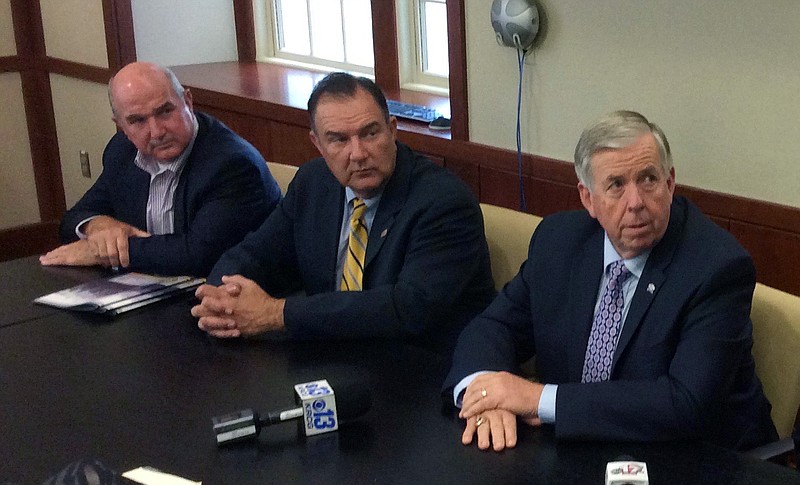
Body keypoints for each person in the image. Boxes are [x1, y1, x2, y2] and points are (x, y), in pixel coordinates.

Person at [443, 111, 778, 452]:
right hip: (584, 449)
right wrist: (484, 396)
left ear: (670, 182)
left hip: (698, 457)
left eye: (648, 179)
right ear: (588, 198)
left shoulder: (716, 267)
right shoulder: (558, 242)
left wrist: (536, 398)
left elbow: (685, 403)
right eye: (616, 185)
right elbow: (493, 327)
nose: (636, 203)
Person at [191, 72, 495, 352]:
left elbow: (406, 309)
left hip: (420, 367)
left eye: (370, 133)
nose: (359, 153)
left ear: (392, 130)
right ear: (318, 144)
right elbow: (254, 255)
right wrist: (222, 300)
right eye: (339, 139)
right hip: (331, 355)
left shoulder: (443, 201)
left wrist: (275, 314)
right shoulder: (313, 183)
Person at [40, 62, 280, 276]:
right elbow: (74, 217)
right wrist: (100, 226)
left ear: (187, 102)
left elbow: (198, 256)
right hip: (152, 289)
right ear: (121, 125)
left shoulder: (231, 164)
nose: (156, 132)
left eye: (165, 111)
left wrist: (101, 251)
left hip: (226, 297)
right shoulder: (121, 152)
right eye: (137, 121)